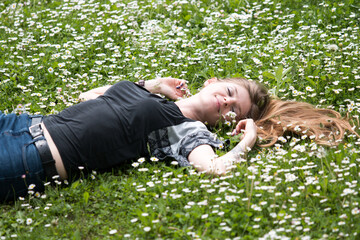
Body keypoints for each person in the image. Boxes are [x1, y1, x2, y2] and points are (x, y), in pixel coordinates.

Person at [0, 77, 356, 202]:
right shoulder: (155, 97)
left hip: (31, 157)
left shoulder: (188, 131)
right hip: (18, 124)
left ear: (227, 122)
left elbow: (214, 169)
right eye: (229, 92)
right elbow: (90, 98)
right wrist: (151, 86)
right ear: (212, 82)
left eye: (234, 109)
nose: (226, 102)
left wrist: (246, 140)